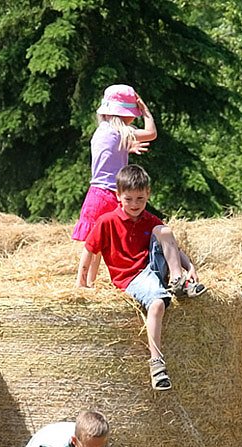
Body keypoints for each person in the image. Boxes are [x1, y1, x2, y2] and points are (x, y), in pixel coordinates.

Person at [77, 164, 206, 391]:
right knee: (156, 304)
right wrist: (81, 284)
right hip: (132, 277)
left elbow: (171, 245)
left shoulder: (148, 218)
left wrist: (189, 266)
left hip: (153, 269)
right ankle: (156, 363)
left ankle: (178, 281)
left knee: (164, 231)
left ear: (148, 194)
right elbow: (89, 251)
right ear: (118, 196)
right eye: (129, 199)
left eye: (140, 199)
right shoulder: (106, 221)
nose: (135, 205)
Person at [73, 84, 157, 287]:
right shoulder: (122, 133)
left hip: (97, 193)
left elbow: (109, 152)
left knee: (95, 243)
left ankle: (87, 282)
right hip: (112, 194)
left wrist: (128, 146)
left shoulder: (104, 131)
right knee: (98, 243)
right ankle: (84, 282)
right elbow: (152, 133)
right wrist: (145, 109)